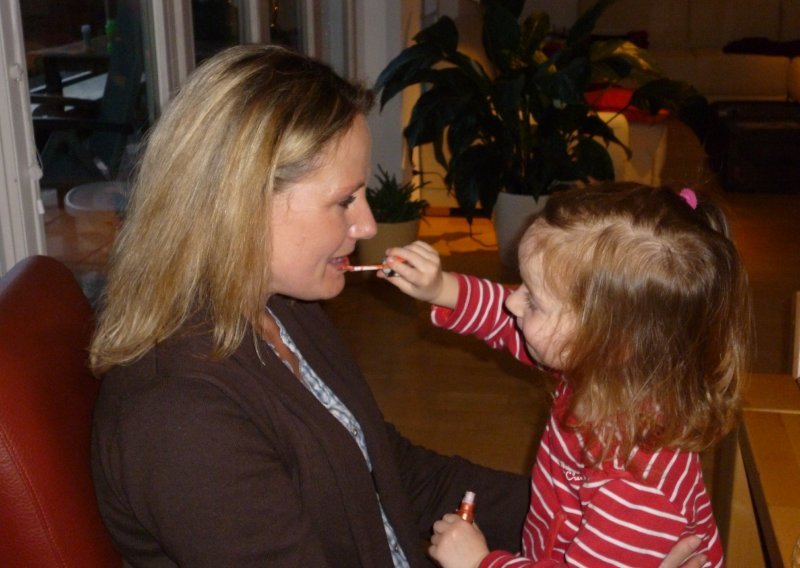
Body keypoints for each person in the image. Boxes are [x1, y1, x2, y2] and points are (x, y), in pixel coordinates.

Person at [89, 44, 712, 567]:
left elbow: (389, 470)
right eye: (344, 200)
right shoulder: (180, 419)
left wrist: (597, 531)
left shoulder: (283, 308)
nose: (366, 224)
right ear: (239, 205)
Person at [381, 182, 753, 567]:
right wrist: (441, 288)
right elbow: (506, 323)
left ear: (609, 342)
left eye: (534, 300)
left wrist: (479, 562)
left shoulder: (637, 487)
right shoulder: (608, 371)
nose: (513, 301)